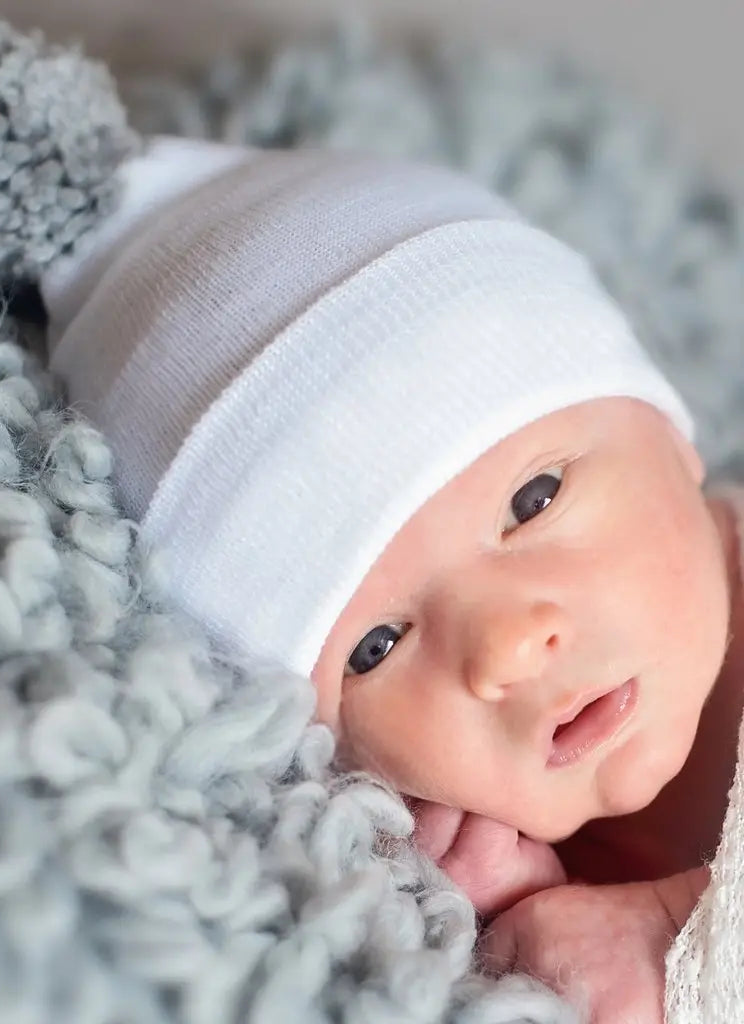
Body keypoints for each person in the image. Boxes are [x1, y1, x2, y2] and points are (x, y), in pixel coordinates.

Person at [40, 135, 743, 1021]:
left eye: (534, 499)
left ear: (669, 433)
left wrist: (671, 933)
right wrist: (531, 910)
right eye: (375, 647)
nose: (507, 649)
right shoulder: (466, 871)